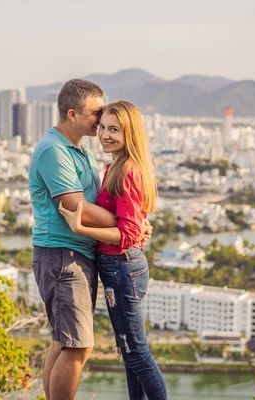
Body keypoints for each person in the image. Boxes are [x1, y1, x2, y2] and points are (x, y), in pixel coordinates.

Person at [28, 79, 152, 400]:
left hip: (73, 253)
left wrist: (133, 223)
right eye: (95, 113)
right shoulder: (54, 150)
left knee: (63, 341)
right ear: (73, 114)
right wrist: (129, 224)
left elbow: (99, 203)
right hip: (62, 254)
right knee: (78, 346)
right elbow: (74, 205)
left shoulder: (78, 150)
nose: (101, 121)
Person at [59, 100, 168, 399]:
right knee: (128, 350)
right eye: (103, 127)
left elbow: (128, 232)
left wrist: (81, 228)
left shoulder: (127, 171)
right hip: (118, 267)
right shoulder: (115, 167)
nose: (105, 134)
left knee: (136, 353)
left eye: (114, 130)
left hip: (122, 268)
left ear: (129, 133)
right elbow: (133, 222)